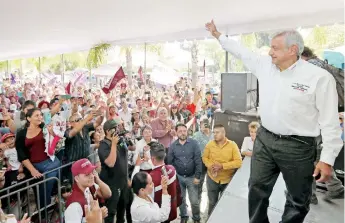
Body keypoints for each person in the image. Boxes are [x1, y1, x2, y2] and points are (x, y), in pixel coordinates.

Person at [206, 20, 343, 223]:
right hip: (265, 139)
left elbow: (330, 123)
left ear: (293, 49)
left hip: (299, 146)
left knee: (298, 199)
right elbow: (241, 52)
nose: (270, 52)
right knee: (256, 189)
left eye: (275, 48)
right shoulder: (264, 66)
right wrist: (218, 34)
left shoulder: (319, 78)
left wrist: (327, 159)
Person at [301, 47, 345, 203]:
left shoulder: (311, 66)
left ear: (302, 55)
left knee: (309, 155)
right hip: (324, 116)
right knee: (316, 156)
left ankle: (310, 194)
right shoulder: (322, 64)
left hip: (317, 119)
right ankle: (334, 187)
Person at [15, 108, 61, 208]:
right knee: (40, 190)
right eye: (36, 115)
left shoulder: (45, 127)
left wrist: (52, 132)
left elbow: (57, 141)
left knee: (45, 189)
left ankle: (44, 211)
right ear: (28, 118)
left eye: (41, 115)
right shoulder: (21, 133)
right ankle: (43, 211)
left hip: (50, 163)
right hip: (34, 165)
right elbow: (21, 154)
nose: (40, 117)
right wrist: (32, 170)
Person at [132, 142, 181, 223]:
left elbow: (136, 182)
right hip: (172, 208)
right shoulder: (172, 169)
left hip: (158, 214)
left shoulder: (150, 178)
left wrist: (137, 166)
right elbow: (178, 188)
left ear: (153, 158)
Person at [202, 124, 242, 216]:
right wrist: (211, 166)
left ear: (224, 133)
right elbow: (205, 157)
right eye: (214, 132)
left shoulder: (232, 145)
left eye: (217, 132)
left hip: (227, 180)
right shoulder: (210, 144)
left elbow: (238, 162)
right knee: (212, 203)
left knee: (225, 203)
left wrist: (222, 166)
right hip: (212, 179)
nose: (215, 134)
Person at [98, 119, 132, 223]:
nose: (117, 129)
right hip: (112, 184)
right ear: (108, 131)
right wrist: (113, 144)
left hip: (123, 182)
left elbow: (132, 148)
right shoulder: (103, 145)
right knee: (111, 212)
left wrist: (128, 139)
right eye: (114, 128)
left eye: (117, 127)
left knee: (122, 210)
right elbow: (110, 163)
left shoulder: (120, 140)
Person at [167, 123, 202, 223]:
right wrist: (173, 177)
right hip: (179, 177)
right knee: (181, 200)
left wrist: (197, 176)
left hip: (192, 177)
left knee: (194, 201)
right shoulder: (173, 146)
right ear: (176, 133)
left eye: (184, 131)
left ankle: (196, 218)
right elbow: (170, 162)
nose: (183, 133)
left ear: (187, 131)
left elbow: (198, 160)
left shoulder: (194, 143)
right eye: (180, 131)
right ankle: (184, 216)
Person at [64, 158, 111, 223]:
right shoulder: (74, 205)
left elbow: (108, 194)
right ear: (77, 178)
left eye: (92, 172)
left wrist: (98, 180)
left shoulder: (89, 187)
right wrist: (98, 217)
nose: (92, 176)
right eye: (87, 174)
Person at [192, 119, 214, 202]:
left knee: (211, 182)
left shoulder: (214, 134)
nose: (204, 126)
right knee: (199, 181)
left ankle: (211, 200)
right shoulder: (196, 135)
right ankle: (197, 200)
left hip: (212, 160)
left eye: (206, 124)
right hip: (200, 161)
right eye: (202, 124)